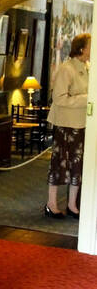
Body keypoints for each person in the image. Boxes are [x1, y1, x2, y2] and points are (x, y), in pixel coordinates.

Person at [46, 32, 91, 219]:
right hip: (66, 125)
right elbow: (59, 99)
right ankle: (51, 204)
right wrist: (87, 100)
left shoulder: (88, 67)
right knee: (60, 164)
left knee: (77, 165)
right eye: (91, 45)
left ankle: (73, 205)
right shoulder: (67, 69)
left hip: (81, 124)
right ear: (81, 48)